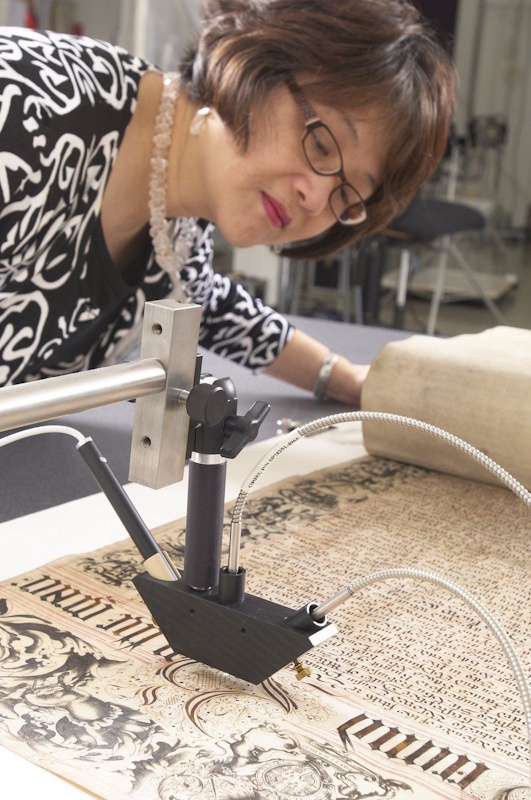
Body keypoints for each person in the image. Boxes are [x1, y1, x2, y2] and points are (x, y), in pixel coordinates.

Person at [0, 0, 455, 404]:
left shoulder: (176, 230)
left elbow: (212, 308)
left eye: (346, 195)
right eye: (320, 145)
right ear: (254, 59)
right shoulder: (27, 102)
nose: (315, 199)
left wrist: (347, 380)